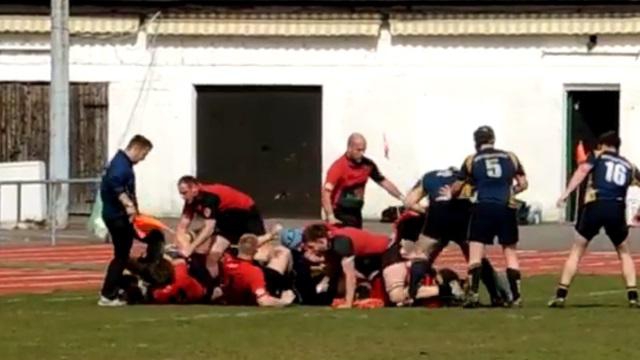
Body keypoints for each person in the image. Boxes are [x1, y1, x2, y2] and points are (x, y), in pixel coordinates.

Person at [550, 131, 640, 308]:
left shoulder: (597, 156)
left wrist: (566, 194)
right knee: (623, 252)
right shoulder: (629, 165)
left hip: (595, 204)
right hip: (616, 206)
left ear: (603, 145)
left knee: (577, 249)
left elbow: (582, 170)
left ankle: (561, 294)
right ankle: (632, 296)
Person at [451, 126, 528, 308]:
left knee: (475, 253)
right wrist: (512, 191)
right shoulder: (511, 156)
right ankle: (516, 297)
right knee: (510, 254)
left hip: (483, 206)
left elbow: (456, 188)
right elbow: (523, 183)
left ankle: (474, 294)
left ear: (476, 142)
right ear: (493, 139)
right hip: (506, 207)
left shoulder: (472, 160)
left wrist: (455, 195)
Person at [403, 168, 503, 305]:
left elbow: (409, 202)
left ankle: (413, 293)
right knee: (476, 257)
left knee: (422, 254)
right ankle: (495, 295)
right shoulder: (466, 177)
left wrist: (425, 211)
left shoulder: (428, 176)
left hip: (437, 215)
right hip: (462, 216)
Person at [174, 176, 269, 284]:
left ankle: (267, 281)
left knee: (259, 252)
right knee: (212, 257)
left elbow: (209, 228)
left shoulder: (209, 196)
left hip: (247, 215)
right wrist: (182, 245)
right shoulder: (191, 200)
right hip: (227, 221)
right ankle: (215, 289)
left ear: (194, 188)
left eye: (184, 193)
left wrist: (190, 248)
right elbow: (181, 227)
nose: (182, 197)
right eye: (181, 193)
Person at [98, 134, 153, 307]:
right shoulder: (121, 166)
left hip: (116, 215)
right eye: (144, 154)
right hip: (118, 217)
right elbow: (116, 184)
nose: (143, 159)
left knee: (124, 254)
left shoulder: (121, 162)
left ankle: (127, 282)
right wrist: (128, 204)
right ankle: (108, 294)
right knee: (121, 256)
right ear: (137, 149)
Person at [322, 132, 404, 228]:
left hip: (356, 212)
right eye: (359, 150)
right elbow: (325, 193)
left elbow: (383, 182)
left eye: (363, 150)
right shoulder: (338, 167)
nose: (362, 153)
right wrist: (330, 216)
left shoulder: (368, 165)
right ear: (349, 148)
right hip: (340, 213)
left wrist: (402, 198)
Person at [220, 234, 296, 307]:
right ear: (256, 250)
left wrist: (269, 236)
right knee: (284, 252)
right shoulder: (254, 272)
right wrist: (284, 301)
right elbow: (263, 300)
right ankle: (289, 286)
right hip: (259, 287)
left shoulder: (226, 260)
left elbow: (249, 245)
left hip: (231, 294)